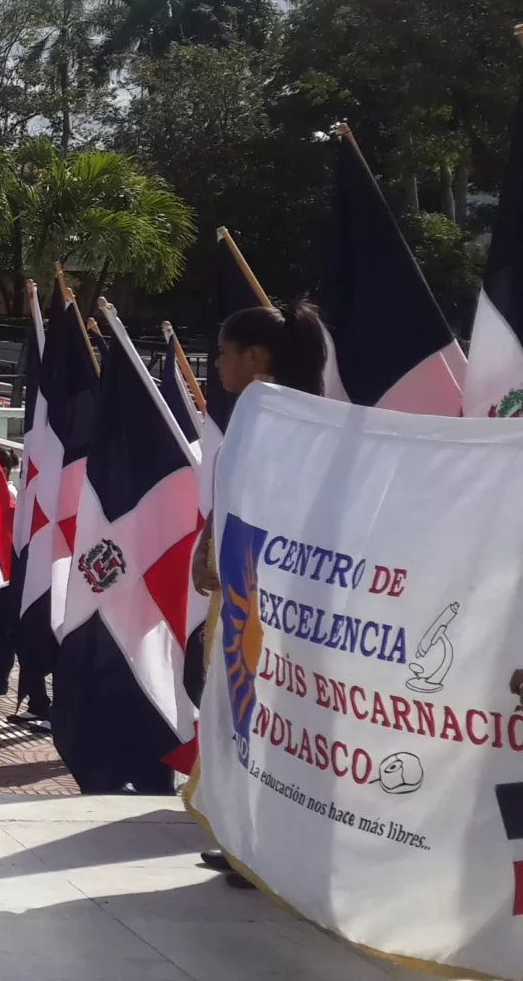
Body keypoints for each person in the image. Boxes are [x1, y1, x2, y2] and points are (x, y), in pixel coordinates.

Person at [185, 301, 325, 886]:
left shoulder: (291, 417)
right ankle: (242, 836)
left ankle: (267, 845)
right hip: (241, 593)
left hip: (273, 604)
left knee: (266, 717)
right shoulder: (253, 412)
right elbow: (235, 491)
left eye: (222, 352)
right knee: (235, 709)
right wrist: (207, 544)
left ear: (255, 356)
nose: (216, 364)